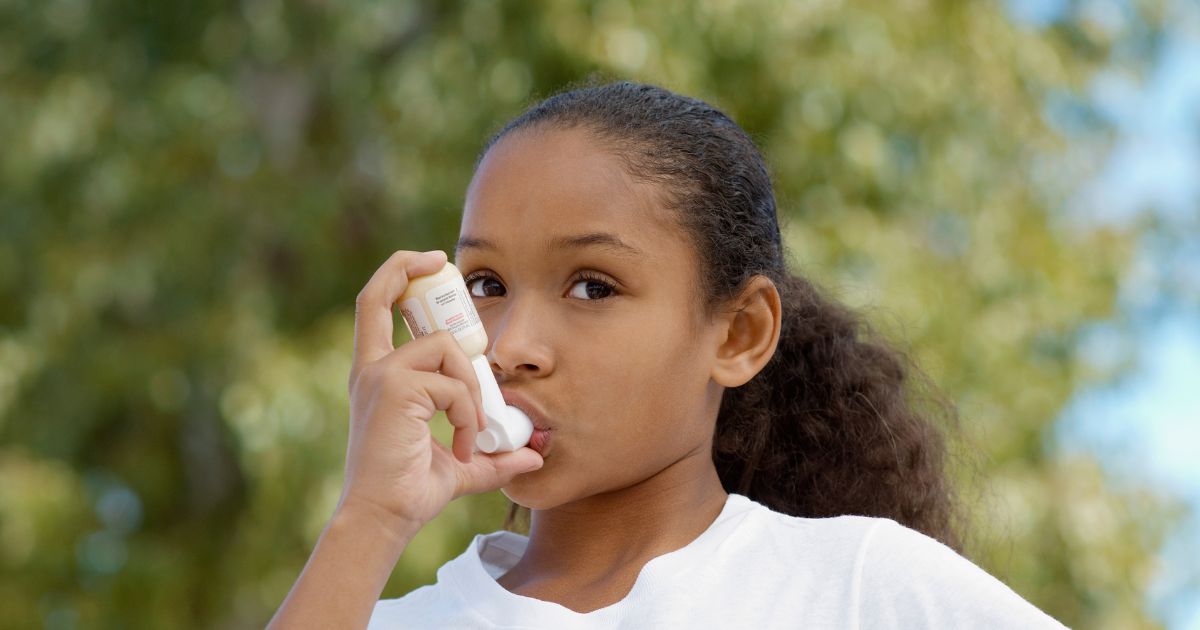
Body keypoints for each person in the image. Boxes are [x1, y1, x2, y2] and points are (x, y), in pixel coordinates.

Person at [268, 81, 1068, 629]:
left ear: (738, 334)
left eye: (592, 287)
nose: (510, 347)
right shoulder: (386, 619)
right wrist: (369, 519)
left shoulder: (862, 587)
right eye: (484, 282)